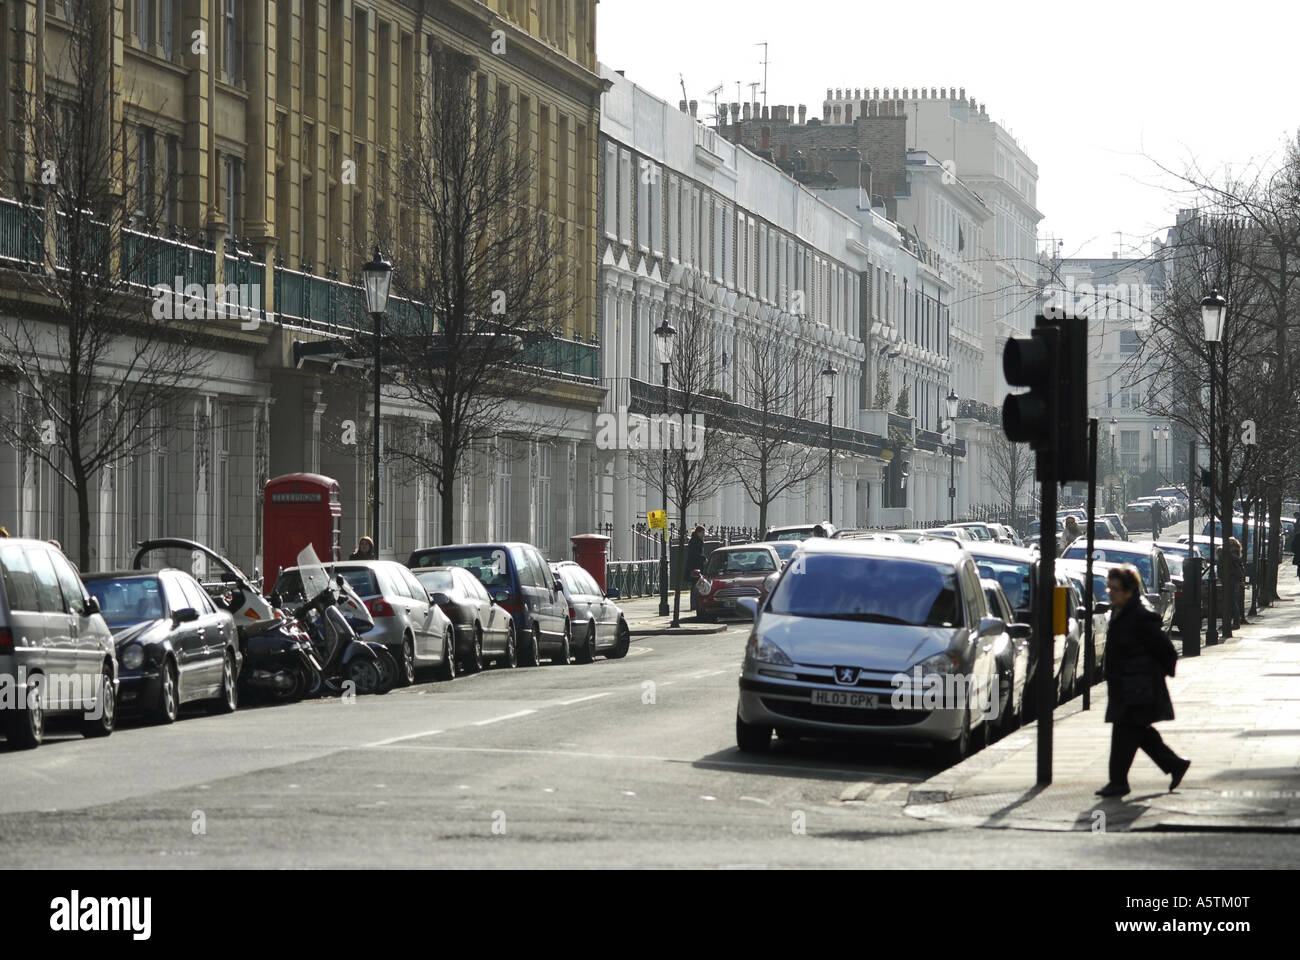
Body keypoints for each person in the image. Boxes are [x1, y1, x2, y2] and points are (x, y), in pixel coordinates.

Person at [1095, 564, 1190, 798]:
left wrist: (1154, 675)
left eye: (1115, 588)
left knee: (1125, 733)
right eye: (1109, 588)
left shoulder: (1139, 616)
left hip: (1138, 686)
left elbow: (1166, 650)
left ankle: (1118, 782)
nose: (1110, 592)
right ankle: (1175, 764)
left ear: (1128, 591)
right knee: (1139, 733)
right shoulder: (1121, 612)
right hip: (1127, 686)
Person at [1226, 537, 1248, 626]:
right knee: (1233, 600)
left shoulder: (1232, 555)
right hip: (1234, 579)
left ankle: (1235, 620)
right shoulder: (1236, 554)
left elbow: (1235, 568)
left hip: (1232, 579)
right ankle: (1235, 620)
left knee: (1231, 600)